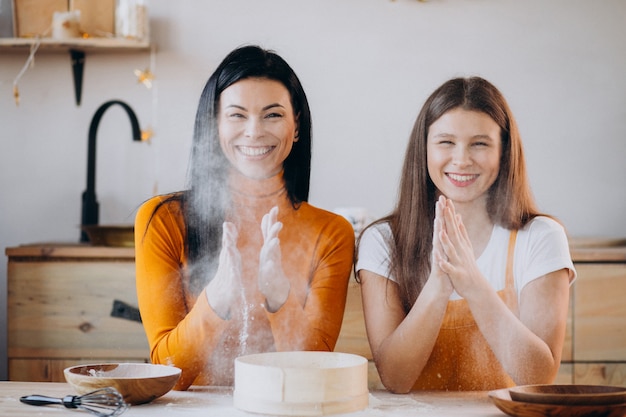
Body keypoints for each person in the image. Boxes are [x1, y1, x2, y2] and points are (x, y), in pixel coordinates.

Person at [134, 45, 355, 390]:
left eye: (273, 115)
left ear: (296, 126)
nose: (254, 132)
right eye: (237, 115)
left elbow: (315, 374)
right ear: (214, 125)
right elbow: (168, 374)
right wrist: (216, 299)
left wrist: (280, 299)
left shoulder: (331, 232)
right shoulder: (163, 220)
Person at [355, 77, 576, 393]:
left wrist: (473, 283)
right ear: (424, 149)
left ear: (504, 151)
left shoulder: (541, 238)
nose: (461, 159)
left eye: (480, 143)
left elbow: (539, 377)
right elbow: (396, 378)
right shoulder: (382, 240)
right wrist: (437, 287)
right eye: (446, 142)